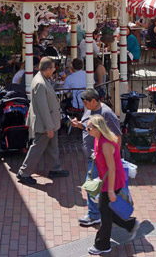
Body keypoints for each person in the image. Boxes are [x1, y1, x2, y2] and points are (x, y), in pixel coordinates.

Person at [85, 114, 140, 255]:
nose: (87, 130)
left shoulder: (106, 144)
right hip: (108, 181)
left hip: (113, 183)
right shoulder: (98, 139)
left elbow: (112, 169)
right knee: (107, 210)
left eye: (89, 128)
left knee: (105, 213)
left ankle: (103, 245)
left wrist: (110, 190)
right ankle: (130, 224)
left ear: (97, 129)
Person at [69, 88, 121, 227]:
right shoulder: (90, 110)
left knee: (91, 186)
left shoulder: (106, 113)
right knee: (95, 186)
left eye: (86, 102)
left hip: (101, 158)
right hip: (93, 156)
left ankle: (94, 215)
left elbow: (117, 136)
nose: (85, 105)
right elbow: (88, 127)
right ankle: (101, 213)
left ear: (93, 100)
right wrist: (79, 124)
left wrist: (115, 157)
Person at [17, 57, 69, 185]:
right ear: (47, 69)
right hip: (45, 123)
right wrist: (49, 127)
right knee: (37, 148)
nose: (54, 71)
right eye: (52, 68)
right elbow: (43, 108)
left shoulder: (43, 79)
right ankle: (24, 172)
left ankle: (55, 168)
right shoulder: (40, 83)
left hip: (52, 122)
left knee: (53, 146)